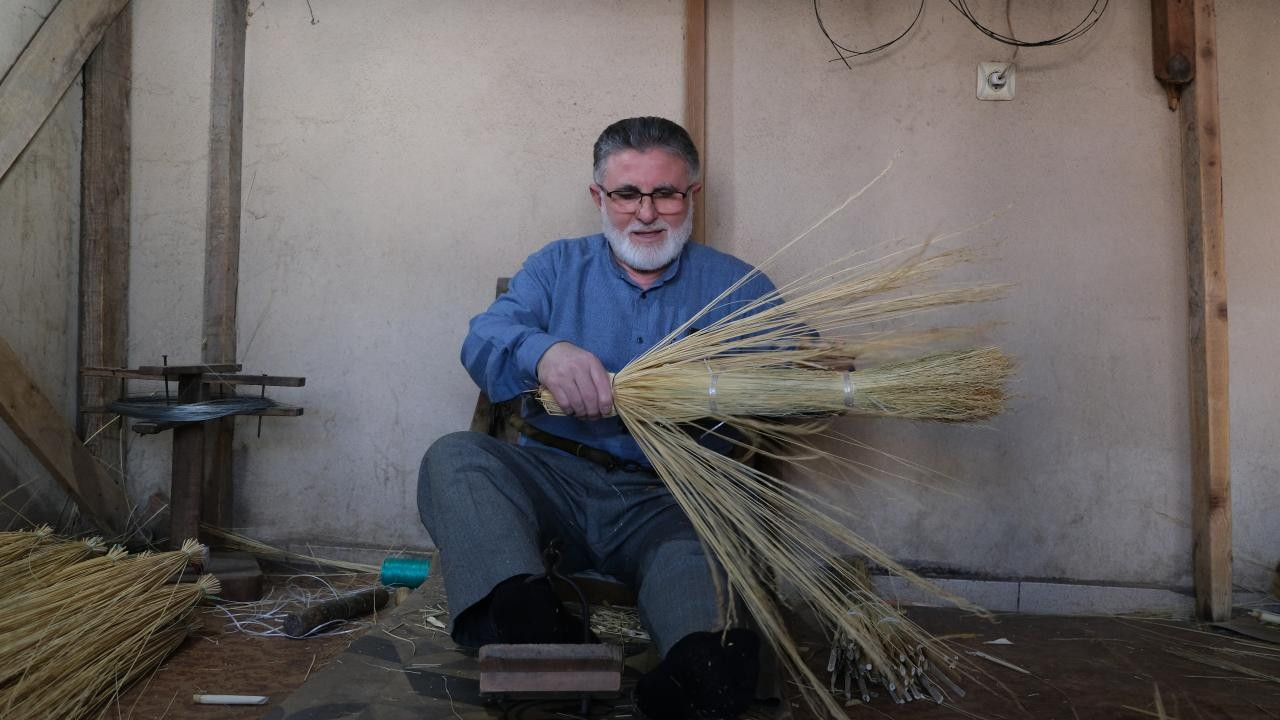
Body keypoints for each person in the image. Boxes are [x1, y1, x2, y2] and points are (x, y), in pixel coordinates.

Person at [418, 116, 776, 719]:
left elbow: (800, 375)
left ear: (691, 195)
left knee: (704, 569)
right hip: (556, 480)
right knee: (455, 457)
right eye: (626, 194)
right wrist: (544, 352)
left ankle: (698, 676)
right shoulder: (556, 268)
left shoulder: (737, 286)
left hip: (674, 498)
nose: (646, 213)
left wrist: (721, 387)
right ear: (598, 197)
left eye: (665, 192)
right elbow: (484, 339)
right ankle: (536, 632)